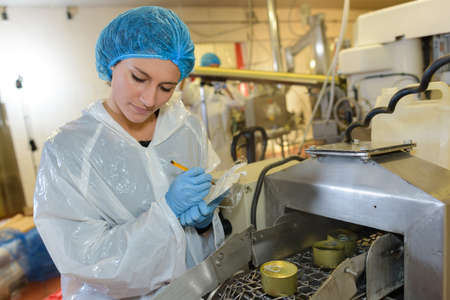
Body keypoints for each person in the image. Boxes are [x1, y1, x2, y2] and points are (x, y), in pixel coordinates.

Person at [33, 7, 227, 300]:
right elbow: (87, 259)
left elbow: (210, 224)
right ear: (112, 65)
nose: (150, 100)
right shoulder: (68, 150)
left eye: (166, 88)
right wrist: (167, 213)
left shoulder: (187, 128)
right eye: (138, 78)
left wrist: (205, 225)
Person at [180, 52, 245, 170]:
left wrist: (225, 89)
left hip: (224, 143)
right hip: (205, 143)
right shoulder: (195, 88)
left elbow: (241, 104)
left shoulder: (223, 87)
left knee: (227, 175)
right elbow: (182, 95)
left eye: (217, 69)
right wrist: (184, 74)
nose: (214, 73)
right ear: (204, 69)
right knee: (210, 175)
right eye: (211, 69)